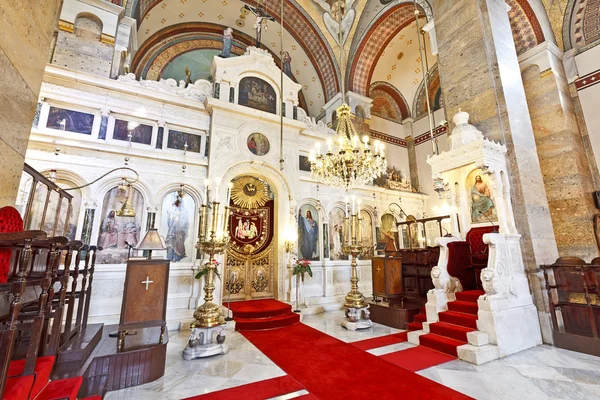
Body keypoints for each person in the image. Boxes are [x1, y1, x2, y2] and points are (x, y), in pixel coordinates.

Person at [166, 196, 189, 262]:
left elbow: (185, 222)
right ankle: (171, 257)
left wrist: (179, 223)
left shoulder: (184, 212)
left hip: (179, 231)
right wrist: (173, 219)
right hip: (172, 230)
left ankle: (177, 257)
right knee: (171, 243)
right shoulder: (172, 211)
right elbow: (169, 221)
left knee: (179, 243)